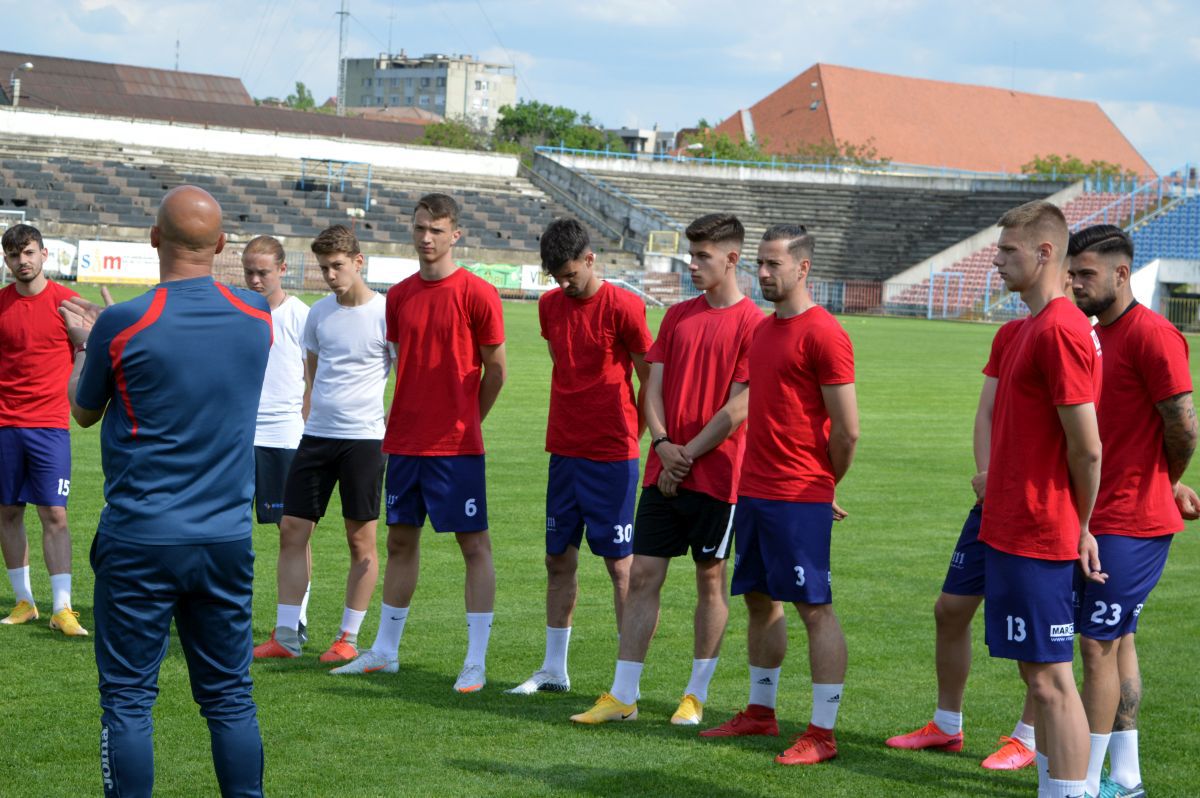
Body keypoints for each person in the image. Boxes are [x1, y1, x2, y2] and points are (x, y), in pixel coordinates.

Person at [60, 185, 270, 796]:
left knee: (128, 702)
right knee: (230, 698)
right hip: (225, 538)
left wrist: (85, 344)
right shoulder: (257, 322)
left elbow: (83, 409)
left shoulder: (125, 322)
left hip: (142, 537)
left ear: (154, 238)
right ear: (223, 245)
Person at [571, 213, 763, 725]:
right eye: (690, 254)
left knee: (710, 580)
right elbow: (650, 386)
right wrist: (662, 443)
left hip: (718, 476)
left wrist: (687, 453)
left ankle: (695, 695)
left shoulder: (754, 325)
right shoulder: (677, 316)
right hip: (665, 468)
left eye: (702, 256)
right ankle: (623, 695)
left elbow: (737, 408)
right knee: (643, 577)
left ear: (732, 259)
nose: (692, 264)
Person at [331, 193, 506, 693]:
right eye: (419, 228)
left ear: (456, 235)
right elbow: (404, 360)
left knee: (473, 546)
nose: (426, 238)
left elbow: (496, 371)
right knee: (400, 540)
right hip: (405, 441)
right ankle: (384, 652)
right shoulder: (402, 296)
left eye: (436, 229)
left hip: (456, 446)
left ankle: (475, 660)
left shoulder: (478, 293)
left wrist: (469, 419)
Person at [697, 224, 858, 765]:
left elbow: (848, 429)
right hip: (756, 491)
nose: (763, 274)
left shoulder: (825, 333)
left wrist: (823, 485)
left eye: (773, 265)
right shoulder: (763, 332)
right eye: (759, 265)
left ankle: (823, 732)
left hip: (797, 494)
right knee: (760, 601)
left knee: (815, 609)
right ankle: (761, 713)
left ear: (803, 268)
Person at [978, 199, 1103, 798]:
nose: (997, 261)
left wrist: (1080, 525)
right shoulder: (1031, 327)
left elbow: (1088, 448)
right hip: (1014, 526)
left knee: (1054, 680)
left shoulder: (1059, 329)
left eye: (1008, 250)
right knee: (1039, 674)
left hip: (1041, 530)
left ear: (1045, 252)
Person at [1067, 224, 1197, 798]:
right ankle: (1126, 778)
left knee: (1095, 646)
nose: (1074, 284)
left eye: (1085, 274)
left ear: (1122, 273)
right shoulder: (1096, 334)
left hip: (1131, 523)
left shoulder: (1154, 335)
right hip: (1102, 513)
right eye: (1071, 273)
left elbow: (1183, 426)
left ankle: (1087, 784)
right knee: (1117, 642)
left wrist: (1164, 481)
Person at [885, 317, 1040, 771]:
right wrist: (988, 477)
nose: (999, 261)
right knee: (950, 609)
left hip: (1036, 508)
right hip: (992, 502)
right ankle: (947, 725)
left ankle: (1028, 737)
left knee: (1032, 630)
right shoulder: (1010, 333)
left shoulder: (1069, 333)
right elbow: (987, 412)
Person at [508, 218, 652, 695]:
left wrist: (637, 433)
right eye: (556, 277)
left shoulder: (625, 306)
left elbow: (648, 377)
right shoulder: (550, 307)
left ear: (590, 260)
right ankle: (554, 669)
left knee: (620, 567)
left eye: (570, 274)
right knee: (557, 559)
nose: (563, 284)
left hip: (612, 454)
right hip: (564, 450)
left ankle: (624, 678)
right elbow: (563, 363)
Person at [252, 225, 390, 664]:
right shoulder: (319, 314)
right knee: (293, 530)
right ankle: (286, 635)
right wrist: (312, 417)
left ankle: (348, 635)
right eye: (324, 267)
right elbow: (312, 371)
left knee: (360, 541)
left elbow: (400, 373)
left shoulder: (386, 313)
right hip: (315, 436)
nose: (330, 275)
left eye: (338, 266)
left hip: (365, 440)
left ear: (358, 262)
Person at [0, 223, 87, 635]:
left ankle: (63, 607)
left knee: (54, 513)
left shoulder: (67, 303)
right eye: (15, 255)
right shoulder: (0, 304)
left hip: (50, 425)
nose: (23, 261)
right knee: (8, 511)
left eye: (29, 252)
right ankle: (25, 602)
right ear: (6, 259)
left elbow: (98, 342)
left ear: (44, 254)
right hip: (5, 424)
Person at [242, 236, 313, 642]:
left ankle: (294, 619)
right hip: (237, 436)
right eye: (249, 271)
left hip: (284, 437)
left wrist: (303, 427)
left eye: (263, 272)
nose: (254, 279)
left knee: (293, 530)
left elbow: (313, 379)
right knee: (227, 525)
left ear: (282, 270)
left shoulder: (300, 316)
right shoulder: (234, 314)